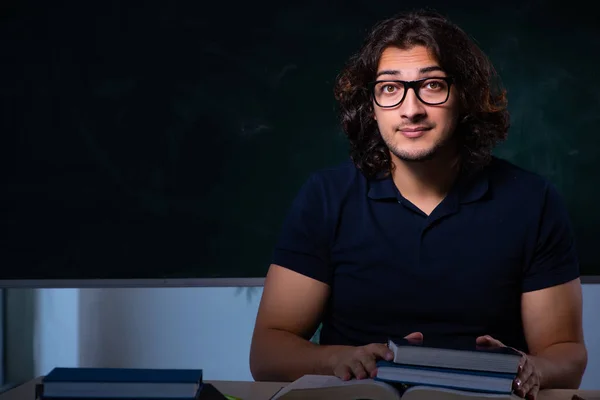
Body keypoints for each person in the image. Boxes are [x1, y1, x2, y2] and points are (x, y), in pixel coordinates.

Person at [249, 9, 587, 399]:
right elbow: (267, 353)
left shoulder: (532, 200)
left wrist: (531, 369)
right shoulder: (326, 196)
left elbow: (567, 355)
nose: (410, 109)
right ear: (371, 104)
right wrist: (338, 359)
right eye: (390, 88)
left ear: (465, 97)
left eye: (431, 85)